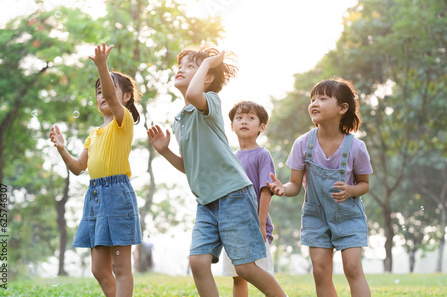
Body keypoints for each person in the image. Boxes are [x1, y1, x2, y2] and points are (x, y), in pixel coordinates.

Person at [147, 44, 286, 297]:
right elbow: (189, 168)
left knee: (244, 267)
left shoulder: (209, 102)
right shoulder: (179, 120)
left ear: (207, 76)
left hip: (233, 194)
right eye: (181, 66)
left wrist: (208, 63)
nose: (181, 69)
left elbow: (193, 92)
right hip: (206, 201)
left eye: (191, 66)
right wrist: (165, 151)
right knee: (198, 262)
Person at [49, 43, 142, 297]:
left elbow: (112, 100)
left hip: (117, 197)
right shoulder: (94, 134)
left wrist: (102, 66)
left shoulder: (123, 123)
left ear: (125, 97)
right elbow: (79, 168)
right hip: (95, 197)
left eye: (109, 90)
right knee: (99, 269)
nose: (103, 95)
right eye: (98, 91)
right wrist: (62, 148)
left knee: (120, 267)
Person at [267, 78, 372, 297]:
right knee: (320, 271)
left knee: (352, 268)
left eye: (323, 98)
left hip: (348, 216)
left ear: (342, 108)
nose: (314, 103)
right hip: (316, 216)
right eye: (312, 98)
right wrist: (282, 189)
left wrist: (351, 190)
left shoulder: (356, 147)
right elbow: (295, 185)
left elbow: (364, 184)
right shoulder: (303, 144)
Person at [222, 101, 276, 297]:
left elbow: (266, 190)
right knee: (238, 275)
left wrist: (261, 224)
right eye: (239, 118)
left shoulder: (262, 155)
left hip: (255, 227)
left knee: (261, 273)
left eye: (250, 118)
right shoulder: (230, 157)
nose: (244, 121)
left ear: (261, 127)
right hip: (233, 227)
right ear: (232, 125)